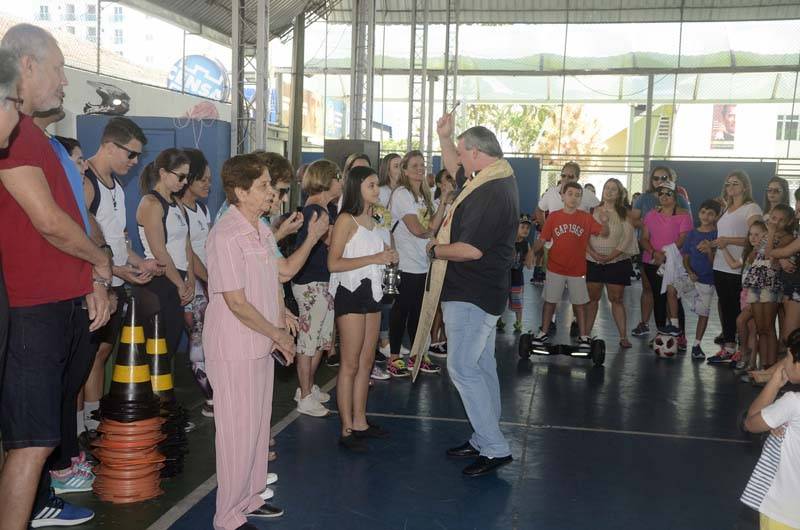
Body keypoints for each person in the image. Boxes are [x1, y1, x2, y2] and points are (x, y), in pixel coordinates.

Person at [0, 24, 112, 529]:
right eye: (60, 69)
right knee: (30, 442)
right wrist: (100, 262)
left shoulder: (36, 137)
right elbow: (48, 222)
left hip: (56, 303)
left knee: (40, 438)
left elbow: (69, 220)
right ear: (27, 65)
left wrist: (90, 281)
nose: (65, 81)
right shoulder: (17, 134)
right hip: (32, 310)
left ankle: (40, 504)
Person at [203, 153, 304, 528]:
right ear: (240, 191)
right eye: (263, 186)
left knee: (258, 428)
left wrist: (281, 319)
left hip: (259, 341)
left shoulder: (259, 229)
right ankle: (227, 515)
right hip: (234, 346)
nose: (271, 193)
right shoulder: (226, 235)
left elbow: (270, 280)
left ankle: (250, 496)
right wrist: (276, 333)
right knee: (236, 433)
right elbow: (236, 302)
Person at [431, 113, 518, 477]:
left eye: (463, 154)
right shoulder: (492, 176)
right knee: (481, 365)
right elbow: (454, 164)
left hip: (473, 293)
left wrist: (434, 249)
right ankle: (484, 437)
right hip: (484, 290)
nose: (458, 162)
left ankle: (495, 447)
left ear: (477, 154)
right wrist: (446, 136)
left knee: (462, 367)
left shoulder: (489, 193)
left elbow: (470, 250)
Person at [81, 117, 163, 435]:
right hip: (93, 285)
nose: (135, 161)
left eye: (138, 155)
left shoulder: (115, 184)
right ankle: (82, 429)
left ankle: (92, 420)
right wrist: (114, 270)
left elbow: (117, 240)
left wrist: (139, 263)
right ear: (109, 146)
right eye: (131, 154)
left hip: (113, 284)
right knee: (85, 360)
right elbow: (80, 239)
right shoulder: (87, 181)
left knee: (101, 354)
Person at [327, 165, 397, 452]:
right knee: (351, 363)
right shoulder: (346, 220)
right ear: (357, 188)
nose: (377, 190)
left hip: (373, 291)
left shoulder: (376, 219)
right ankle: (346, 428)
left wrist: (389, 256)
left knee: (367, 362)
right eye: (371, 185)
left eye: (377, 184)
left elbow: (380, 253)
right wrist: (375, 258)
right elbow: (333, 263)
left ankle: (360, 422)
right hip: (351, 293)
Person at [387, 150, 451, 377]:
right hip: (406, 263)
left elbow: (434, 223)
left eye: (422, 164)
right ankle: (394, 358)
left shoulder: (423, 195)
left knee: (418, 312)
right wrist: (432, 235)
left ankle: (417, 356)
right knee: (401, 310)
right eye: (414, 165)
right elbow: (418, 229)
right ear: (404, 171)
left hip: (422, 262)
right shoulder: (402, 194)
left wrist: (443, 201)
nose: (420, 168)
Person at [532, 182, 609, 350]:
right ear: (562, 196)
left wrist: (605, 221)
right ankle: (543, 332)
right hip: (555, 268)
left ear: (581, 199)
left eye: (577, 195)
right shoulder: (553, 217)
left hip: (577, 270)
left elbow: (604, 233)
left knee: (579, 304)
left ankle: (584, 335)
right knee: (550, 302)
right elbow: (542, 239)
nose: (574, 198)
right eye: (570, 194)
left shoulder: (585, 218)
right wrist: (531, 252)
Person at [292, 159, 341, 416]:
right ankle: (304, 394)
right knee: (309, 340)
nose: (341, 183)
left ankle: (307, 387)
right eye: (338, 178)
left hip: (323, 280)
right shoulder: (315, 212)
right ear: (326, 181)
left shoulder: (326, 209)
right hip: (310, 282)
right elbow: (333, 241)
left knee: (321, 339)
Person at [136, 149, 196, 359]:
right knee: (156, 354)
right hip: (160, 282)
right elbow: (159, 250)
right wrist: (180, 284)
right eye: (181, 176)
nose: (185, 182)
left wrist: (190, 279)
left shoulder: (177, 203)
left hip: (178, 281)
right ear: (163, 173)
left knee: (168, 349)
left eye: (187, 176)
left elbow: (186, 244)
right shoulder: (151, 204)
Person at [742, 328, 800, 530]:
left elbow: (750, 423)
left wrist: (774, 382)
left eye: (787, 357)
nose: (784, 363)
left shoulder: (793, 403)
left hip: (783, 512)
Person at [630, 166, 691, 342]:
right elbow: (644, 238)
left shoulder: (684, 215)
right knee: (658, 296)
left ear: (675, 196)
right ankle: (661, 334)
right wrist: (653, 252)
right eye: (661, 193)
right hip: (652, 261)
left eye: (668, 193)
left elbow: (682, 239)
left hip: (674, 262)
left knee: (674, 297)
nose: (664, 196)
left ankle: (679, 335)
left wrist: (665, 254)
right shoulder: (650, 215)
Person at [707, 171, 763, 363]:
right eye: (728, 183)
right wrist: (713, 245)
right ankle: (729, 346)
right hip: (721, 264)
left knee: (740, 310)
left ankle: (742, 348)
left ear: (745, 187)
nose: (730, 187)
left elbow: (756, 237)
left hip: (739, 265)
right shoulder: (726, 208)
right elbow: (723, 237)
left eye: (735, 183)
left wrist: (728, 240)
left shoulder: (751, 208)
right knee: (726, 306)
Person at [178, 148, 214, 416]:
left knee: (209, 340)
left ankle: (216, 394)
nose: (208, 185)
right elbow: (188, 253)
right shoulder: (178, 211)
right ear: (188, 179)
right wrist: (208, 280)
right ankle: (211, 398)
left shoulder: (201, 208)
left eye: (210, 180)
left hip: (207, 282)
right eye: (203, 179)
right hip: (193, 284)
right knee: (198, 341)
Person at [586, 178, 637, 349]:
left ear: (619, 193)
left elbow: (627, 239)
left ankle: (623, 336)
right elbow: (584, 235)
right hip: (593, 260)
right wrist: (593, 254)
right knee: (592, 298)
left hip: (617, 262)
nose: (609, 191)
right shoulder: (592, 210)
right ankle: (585, 335)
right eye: (606, 188)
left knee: (617, 299)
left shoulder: (625, 214)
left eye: (613, 189)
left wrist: (609, 258)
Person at [681, 200, 721, 360]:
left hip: (707, 280)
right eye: (703, 212)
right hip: (691, 277)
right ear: (698, 213)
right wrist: (689, 271)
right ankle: (675, 328)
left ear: (716, 217)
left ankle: (696, 345)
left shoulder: (716, 236)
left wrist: (709, 250)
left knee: (703, 313)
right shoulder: (692, 233)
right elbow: (686, 257)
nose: (706, 216)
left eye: (710, 214)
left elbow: (715, 263)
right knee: (670, 290)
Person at [499, 215, 533, 333]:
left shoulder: (526, 244)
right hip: (505, 277)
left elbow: (528, 263)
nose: (525, 230)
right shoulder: (508, 241)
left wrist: (530, 259)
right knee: (501, 300)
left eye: (527, 228)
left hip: (517, 278)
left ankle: (518, 322)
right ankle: (498, 319)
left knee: (518, 302)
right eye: (522, 227)